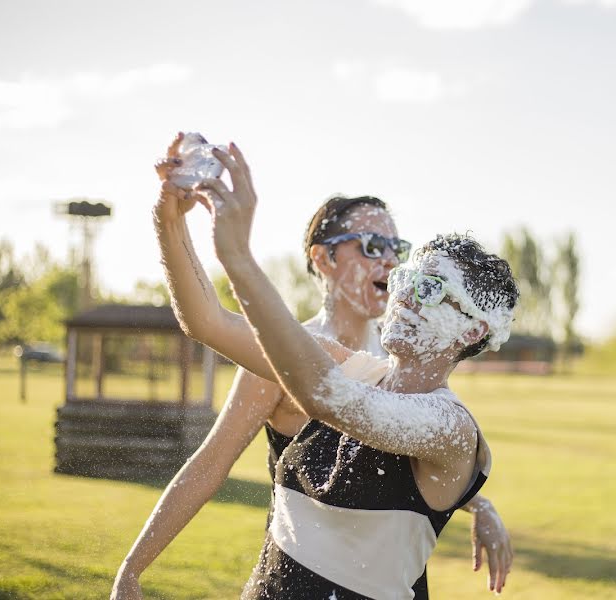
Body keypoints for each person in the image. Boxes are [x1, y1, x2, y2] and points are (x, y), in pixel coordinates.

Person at [111, 136, 515, 599]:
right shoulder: (351, 366)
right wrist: (168, 221)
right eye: (407, 278)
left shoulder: (451, 425)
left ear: (470, 332)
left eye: (427, 288)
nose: (400, 292)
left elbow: (327, 398)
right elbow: (207, 321)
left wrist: (238, 256)